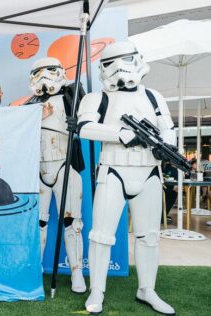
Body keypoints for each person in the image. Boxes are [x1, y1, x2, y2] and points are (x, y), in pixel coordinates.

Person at [76, 42, 176, 315]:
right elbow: (84, 127)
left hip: (149, 172)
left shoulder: (154, 97)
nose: (120, 68)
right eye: (113, 62)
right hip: (114, 170)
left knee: (149, 236)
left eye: (126, 60)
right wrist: (119, 134)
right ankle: (96, 289)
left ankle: (147, 289)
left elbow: (169, 129)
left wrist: (164, 143)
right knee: (100, 235)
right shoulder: (97, 98)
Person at [23, 57, 86, 294]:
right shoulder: (29, 105)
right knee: (39, 221)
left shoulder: (72, 98)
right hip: (39, 169)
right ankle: (35, 268)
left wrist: (77, 124)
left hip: (65, 165)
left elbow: (89, 121)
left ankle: (76, 271)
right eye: (38, 73)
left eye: (49, 71)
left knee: (72, 222)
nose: (44, 77)